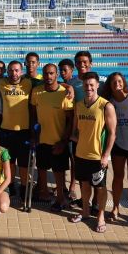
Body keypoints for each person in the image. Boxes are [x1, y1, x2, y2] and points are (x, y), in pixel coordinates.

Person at [70, 72, 116, 234]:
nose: (88, 88)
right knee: (84, 185)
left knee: (101, 188)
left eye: (91, 85)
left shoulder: (106, 106)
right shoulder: (79, 105)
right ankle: (85, 211)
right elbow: (75, 130)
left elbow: (112, 133)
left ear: (97, 86)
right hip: (81, 153)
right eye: (86, 85)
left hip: (98, 156)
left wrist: (105, 155)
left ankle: (101, 217)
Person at [30, 64, 74, 212]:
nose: (48, 77)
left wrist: (63, 141)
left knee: (59, 171)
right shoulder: (37, 92)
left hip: (58, 140)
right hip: (42, 139)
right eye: (46, 74)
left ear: (56, 75)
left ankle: (61, 197)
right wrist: (34, 135)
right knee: (41, 168)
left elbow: (70, 120)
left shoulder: (65, 93)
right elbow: (34, 115)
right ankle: (44, 193)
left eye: (51, 73)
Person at [102, 72, 128, 226]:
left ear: (124, 82)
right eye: (114, 82)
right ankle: (115, 208)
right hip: (118, 145)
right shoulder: (109, 104)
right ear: (110, 86)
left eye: (119, 81)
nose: (117, 84)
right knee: (118, 177)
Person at [0, 60, 32, 198]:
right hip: (6, 130)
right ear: (7, 71)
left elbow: (50, 84)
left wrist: (69, 87)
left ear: (21, 71)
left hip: (23, 130)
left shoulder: (29, 83)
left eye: (16, 70)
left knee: (23, 163)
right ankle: (10, 185)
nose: (14, 73)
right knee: (9, 162)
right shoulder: (1, 83)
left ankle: (24, 187)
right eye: (11, 70)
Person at [59, 58, 81, 200]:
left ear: (72, 70)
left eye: (65, 70)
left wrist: (70, 86)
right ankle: (61, 186)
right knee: (62, 158)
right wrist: (67, 86)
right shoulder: (65, 85)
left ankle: (72, 186)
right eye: (60, 70)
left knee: (73, 158)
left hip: (76, 126)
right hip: (62, 124)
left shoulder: (77, 84)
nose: (62, 73)